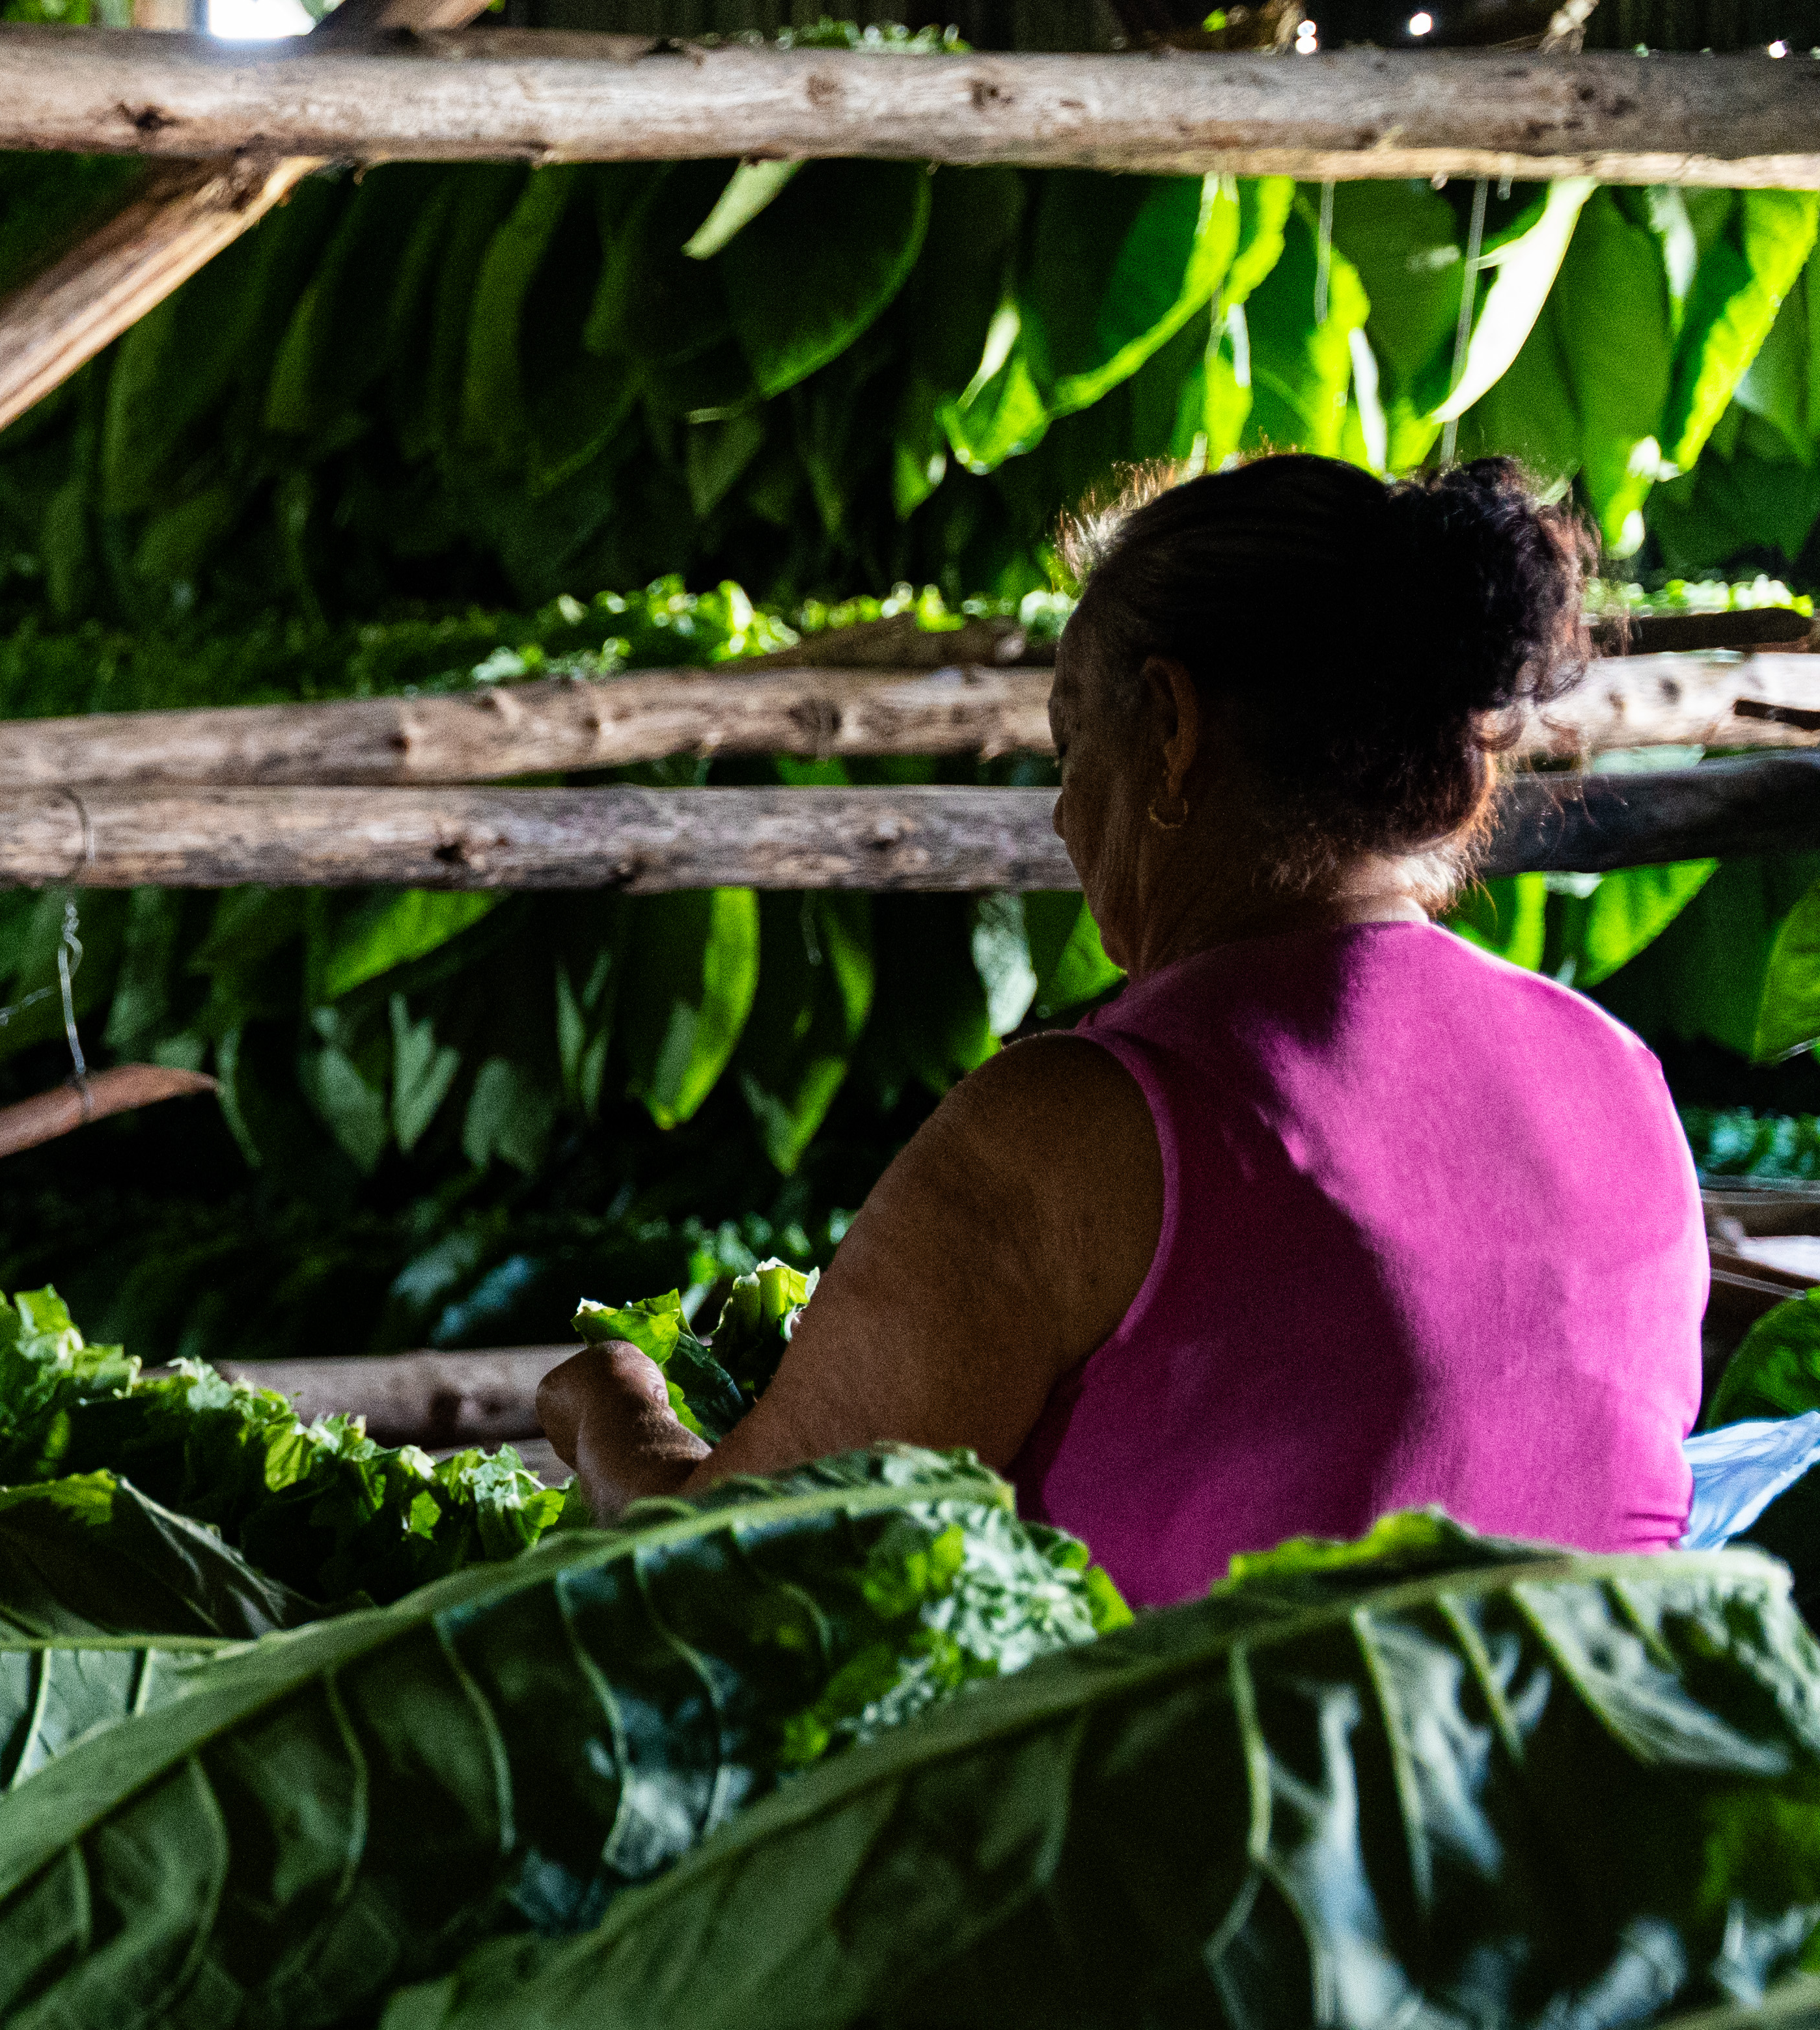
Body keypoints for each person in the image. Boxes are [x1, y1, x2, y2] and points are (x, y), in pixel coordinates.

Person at [536, 454, 1707, 1605]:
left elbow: (737, 1585)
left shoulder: (1073, 1128)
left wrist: (612, 1414)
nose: (1057, 812)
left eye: (1069, 742)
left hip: (1214, 1803)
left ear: (1172, 726)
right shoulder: (1620, 1080)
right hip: (1567, 1794)